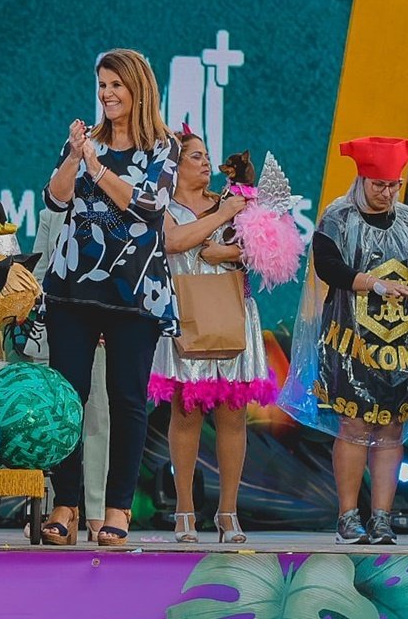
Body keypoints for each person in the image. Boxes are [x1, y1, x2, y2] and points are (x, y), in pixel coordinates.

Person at [39, 49, 179, 546]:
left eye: (116, 85)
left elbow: (149, 208)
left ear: (138, 89)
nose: (107, 94)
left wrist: (97, 170)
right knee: (68, 398)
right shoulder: (86, 142)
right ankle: (66, 503)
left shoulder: (163, 147)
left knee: (127, 399)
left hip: (134, 289)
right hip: (73, 285)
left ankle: (118, 508)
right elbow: (55, 198)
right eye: (102, 85)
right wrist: (75, 157)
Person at [278, 137, 408, 545]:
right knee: (354, 423)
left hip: (401, 343)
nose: (387, 193)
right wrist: (374, 284)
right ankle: (348, 517)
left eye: (394, 186)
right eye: (379, 185)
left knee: (392, 428)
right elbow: (327, 267)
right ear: (362, 180)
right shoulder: (338, 218)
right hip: (350, 340)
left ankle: (382, 519)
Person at [148, 128, 277, 544]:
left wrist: (230, 251)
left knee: (233, 415)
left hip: (231, 313)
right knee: (186, 412)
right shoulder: (162, 206)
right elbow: (172, 242)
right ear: (175, 164)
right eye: (196, 156)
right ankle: (184, 510)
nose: (206, 163)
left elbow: (268, 250)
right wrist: (222, 217)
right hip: (187, 314)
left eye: (207, 156)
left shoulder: (233, 201)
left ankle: (228, 513)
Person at [32, 206, 110, 541]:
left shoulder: (111, 206)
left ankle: (96, 512)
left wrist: (112, 316)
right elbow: (38, 271)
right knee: (59, 419)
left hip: (104, 325)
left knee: (96, 420)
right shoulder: (51, 213)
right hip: (58, 325)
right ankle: (61, 508)